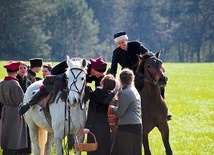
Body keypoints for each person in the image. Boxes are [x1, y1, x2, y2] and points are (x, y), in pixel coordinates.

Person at [18, 56, 107, 115]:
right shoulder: (80, 67)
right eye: (100, 72)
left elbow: (98, 89)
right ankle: (29, 103)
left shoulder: (98, 75)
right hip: (62, 72)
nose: (101, 74)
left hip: (74, 79)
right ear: (94, 69)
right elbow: (65, 77)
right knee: (53, 85)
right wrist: (64, 90)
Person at [109, 68, 142, 155]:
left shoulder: (125, 93)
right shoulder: (135, 91)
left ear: (121, 79)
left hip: (127, 129)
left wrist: (112, 108)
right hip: (136, 126)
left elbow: (119, 113)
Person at [0, 60, 30, 155]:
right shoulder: (14, 83)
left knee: (7, 134)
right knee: (15, 136)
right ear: (16, 71)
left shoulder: (1, 82)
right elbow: (21, 100)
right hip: (15, 112)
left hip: (5, 110)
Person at [85, 74, 116, 155]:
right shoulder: (113, 95)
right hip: (106, 125)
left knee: (94, 148)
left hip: (95, 125)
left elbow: (92, 111)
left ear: (102, 83)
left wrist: (87, 126)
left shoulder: (96, 94)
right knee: (104, 148)